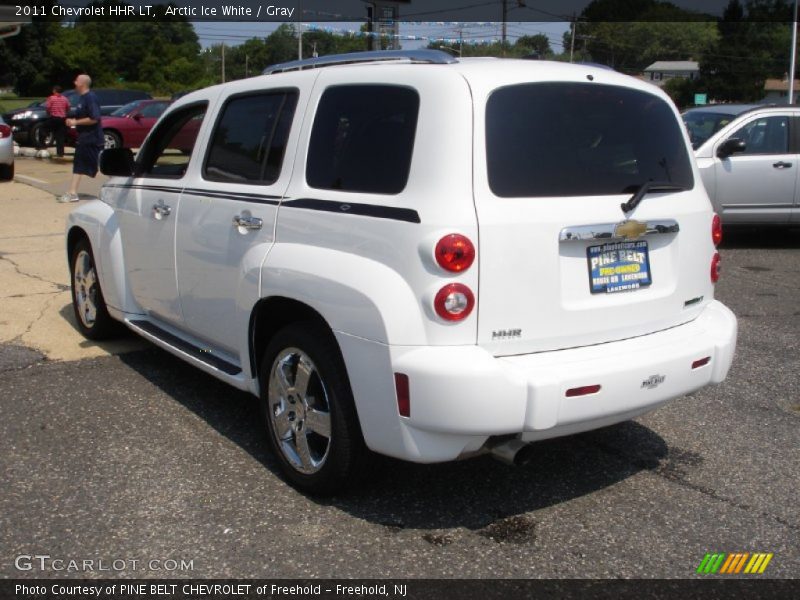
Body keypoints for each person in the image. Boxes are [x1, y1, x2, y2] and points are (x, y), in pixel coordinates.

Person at [59, 74, 103, 203]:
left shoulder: (90, 98)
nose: (74, 82)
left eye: (76, 81)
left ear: (82, 84)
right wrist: (72, 120)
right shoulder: (82, 98)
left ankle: (72, 193)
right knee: (80, 164)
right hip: (84, 138)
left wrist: (75, 122)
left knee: (98, 165)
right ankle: (72, 192)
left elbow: (94, 118)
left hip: (92, 139)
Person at [44, 85, 70, 157]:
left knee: (44, 128)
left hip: (54, 118)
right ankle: (60, 152)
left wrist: (48, 113)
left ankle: (43, 144)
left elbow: (48, 107)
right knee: (60, 136)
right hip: (62, 119)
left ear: (55, 91)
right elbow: (68, 108)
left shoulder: (51, 98)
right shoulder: (65, 99)